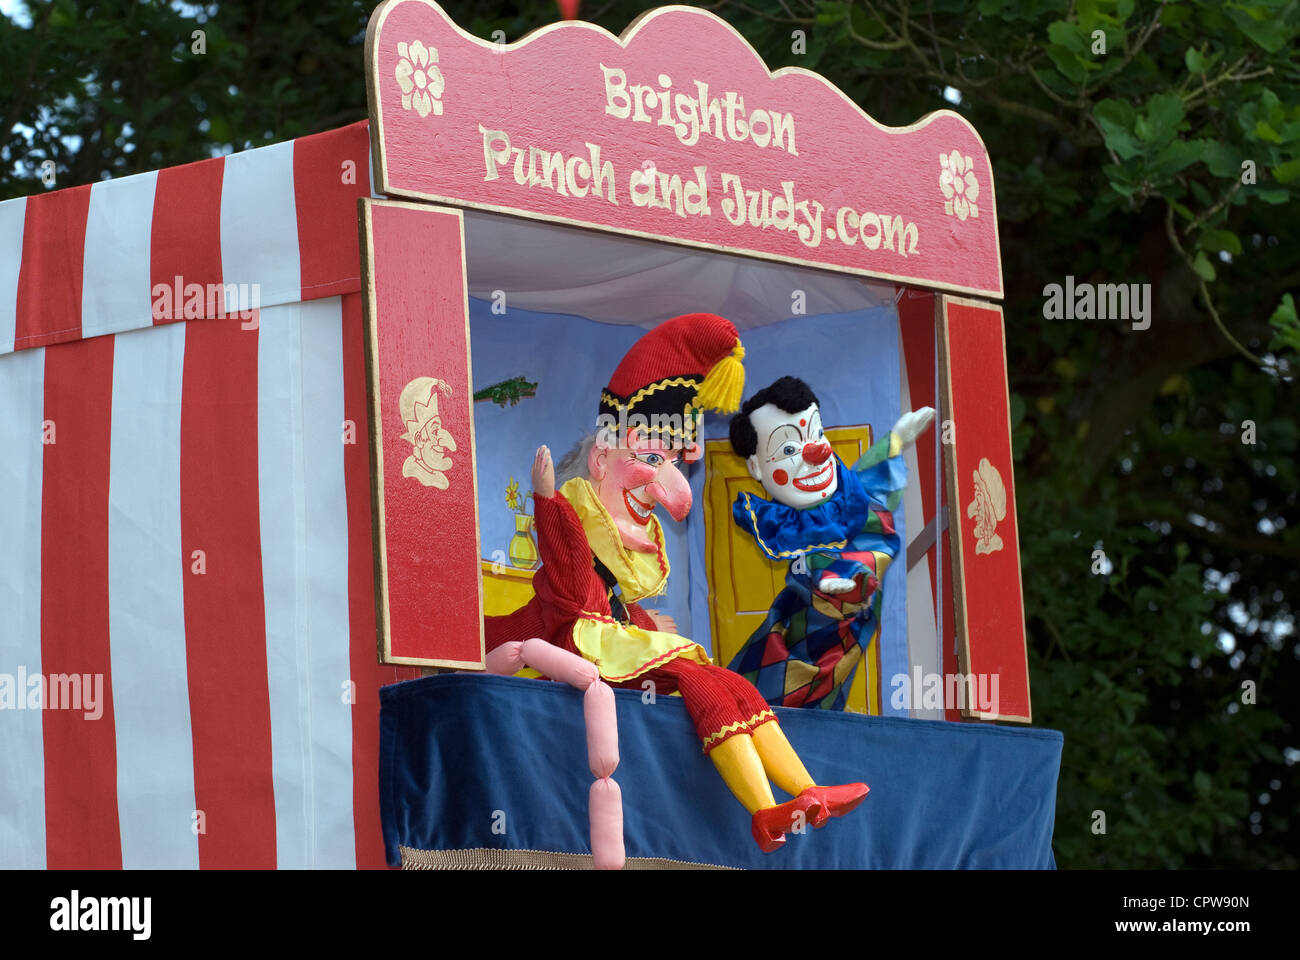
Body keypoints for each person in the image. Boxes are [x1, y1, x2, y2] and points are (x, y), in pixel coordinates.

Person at [485, 315, 868, 852]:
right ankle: (764, 810)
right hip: (578, 643)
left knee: (733, 683)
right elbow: (570, 587)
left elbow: (605, 601)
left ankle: (806, 791)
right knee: (701, 677)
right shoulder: (571, 524)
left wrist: (641, 622)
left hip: (602, 639)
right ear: (601, 462)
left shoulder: (613, 572)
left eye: (669, 460)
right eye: (650, 459)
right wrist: (547, 502)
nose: (668, 486)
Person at [727, 375, 934, 710]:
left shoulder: (848, 498)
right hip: (799, 640)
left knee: (826, 695)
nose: (817, 451)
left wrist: (895, 441)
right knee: (765, 693)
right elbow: (806, 564)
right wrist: (826, 579)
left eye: (817, 434)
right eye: (790, 449)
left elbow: (869, 486)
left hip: (844, 639)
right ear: (756, 468)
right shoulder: (787, 526)